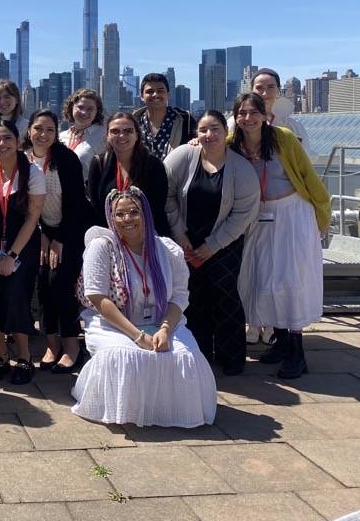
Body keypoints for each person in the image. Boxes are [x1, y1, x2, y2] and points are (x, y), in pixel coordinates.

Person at [71, 188, 216, 428]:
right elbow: (97, 297)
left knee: (186, 357)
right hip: (114, 324)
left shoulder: (166, 249)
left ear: (146, 214)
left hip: (162, 322)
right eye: (119, 214)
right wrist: (138, 336)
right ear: (111, 217)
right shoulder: (102, 246)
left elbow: (179, 295)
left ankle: (166, 410)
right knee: (122, 356)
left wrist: (165, 331)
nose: (127, 219)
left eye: (134, 212)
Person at [230, 93, 331, 380]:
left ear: (264, 115)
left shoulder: (283, 138)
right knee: (264, 280)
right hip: (260, 218)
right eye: (242, 113)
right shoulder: (233, 144)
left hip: (292, 215)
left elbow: (309, 178)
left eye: (253, 112)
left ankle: (297, 354)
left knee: (290, 280)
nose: (247, 118)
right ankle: (282, 342)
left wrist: (323, 217)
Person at [164, 110, 260, 375]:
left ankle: (232, 358)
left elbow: (244, 213)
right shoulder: (183, 156)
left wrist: (214, 244)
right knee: (193, 299)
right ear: (196, 133)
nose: (209, 135)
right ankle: (200, 355)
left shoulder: (241, 168)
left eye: (215, 128)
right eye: (203, 129)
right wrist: (179, 233)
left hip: (225, 242)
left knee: (225, 297)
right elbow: (167, 194)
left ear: (226, 132)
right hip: (186, 240)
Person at [0, 120, 46, 385]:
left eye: (7, 138)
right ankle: (1, 356)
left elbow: (32, 218)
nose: (1, 144)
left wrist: (11, 257)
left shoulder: (32, 172)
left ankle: (24, 357)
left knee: (16, 296)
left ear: (18, 140)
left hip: (22, 245)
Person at [22, 109, 88, 374]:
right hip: (41, 231)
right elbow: (25, 204)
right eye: (38, 128)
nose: (44, 134)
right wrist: (44, 236)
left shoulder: (66, 159)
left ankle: (72, 344)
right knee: (42, 283)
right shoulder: (23, 160)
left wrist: (59, 238)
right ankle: (52, 344)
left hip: (71, 229)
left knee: (59, 280)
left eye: (50, 130)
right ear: (29, 131)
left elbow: (77, 205)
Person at [88, 112, 170, 237]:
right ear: (108, 136)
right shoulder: (99, 163)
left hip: (147, 237)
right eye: (115, 131)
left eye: (128, 130)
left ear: (137, 135)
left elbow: (157, 208)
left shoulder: (153, 166)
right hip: (112, 237)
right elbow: (96, 207)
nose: (121, 135)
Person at [132, 73, 195, 161]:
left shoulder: (185, 121)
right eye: (150, 91)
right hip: (139, 174)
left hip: (174, 174)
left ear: (168, 95)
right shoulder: (133, 122)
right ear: (142, 96)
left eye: (160, 91)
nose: (155, 95)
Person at [59, 88, 106, 178]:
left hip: (87, 190)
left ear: (97, 112)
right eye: (80, 107)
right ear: (72, 107)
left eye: (90, 109)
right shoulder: (61, 136)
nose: (84, 112)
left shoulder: (103, 135)